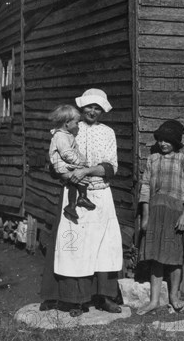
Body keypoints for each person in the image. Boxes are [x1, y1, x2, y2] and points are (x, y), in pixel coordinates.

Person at [39, 88, 123, 317]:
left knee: (104, 246)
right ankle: (76, 299)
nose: (93, 111)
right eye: (89, 107)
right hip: (74, 194)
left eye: (98, 107)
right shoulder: (70, 128)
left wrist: (86, 170)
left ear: (103, 110)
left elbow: (111, 166)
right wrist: (65, 172)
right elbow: (56, 156)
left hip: (100, 193)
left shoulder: (108, 132)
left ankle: (104, 297)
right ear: (81, 108)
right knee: (75, 246)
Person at [137, 120, 184, 315]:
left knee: (174, 257)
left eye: (168, 140)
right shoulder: (152, 159)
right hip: (155, 211)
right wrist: (145, 216)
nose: (163, 143)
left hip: (176, 212)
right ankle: (154, 300)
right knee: (156, 257)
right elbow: (145, 186)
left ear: (176, 142)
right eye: (161, 140)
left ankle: (174, 297)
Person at [47, 104, 96, 222]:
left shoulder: (67, 135)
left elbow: (74, 150)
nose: (78, 125)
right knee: (81, 176)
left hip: (64, 165)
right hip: (62, 166)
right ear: (67, 123)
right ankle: (82, 198)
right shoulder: (60, 136)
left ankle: (72, 206)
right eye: (77, 122)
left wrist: (80, 157)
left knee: (74, 182)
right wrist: (80, 162)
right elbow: (66, 153)